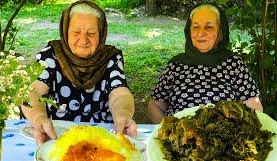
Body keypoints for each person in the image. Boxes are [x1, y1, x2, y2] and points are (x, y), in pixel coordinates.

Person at [21, 0, 136, 146]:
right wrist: (38, 117)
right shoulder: (50, 56)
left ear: (101, 34)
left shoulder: (111, 58)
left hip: (101, 140)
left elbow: (120, 93)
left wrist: (123, 114)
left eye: (91, 33)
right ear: (65, 31)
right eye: (76, 32)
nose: (83, 39)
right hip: (56, 138)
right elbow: (33, 91)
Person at [148, 3, 263, 123]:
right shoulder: (176, 65)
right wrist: (165, 131)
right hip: (178, 137)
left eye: (209, 27)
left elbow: (253, 106)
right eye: (195, 27)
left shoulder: (233, 64)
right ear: (189, 31)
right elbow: (155, 105)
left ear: (220, 32)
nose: (200, 33)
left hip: (223, 138)